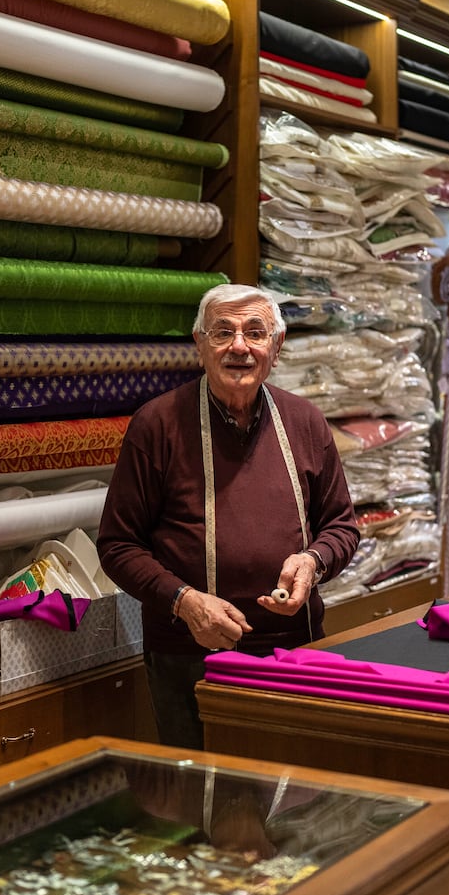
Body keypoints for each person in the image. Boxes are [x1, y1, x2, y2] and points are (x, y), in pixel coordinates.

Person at [98, 284, 359, 749]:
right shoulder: (156, 425)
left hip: (293, 649)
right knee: (201, 802)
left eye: (255, 333)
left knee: (296, 798)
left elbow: (341, 526)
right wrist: (183, 601)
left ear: (275, 348)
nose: (240, 346)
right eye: (223, 332)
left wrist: (313, 562)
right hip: (189, 656)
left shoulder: (305, 422)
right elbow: (118, 545)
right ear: (199, 345)